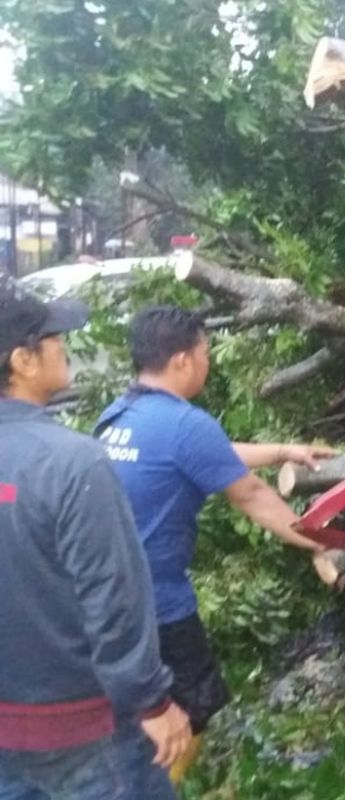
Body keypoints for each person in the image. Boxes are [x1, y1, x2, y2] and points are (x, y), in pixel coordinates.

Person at [93, 305, 334, 782]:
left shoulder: (119, 417)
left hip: (106, 601)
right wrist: (320, 542)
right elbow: (252, 495)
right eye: (205, 352)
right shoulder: (184, 423)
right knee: (192, 709)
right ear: (183, 360)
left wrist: (284, 451)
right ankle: (159, 790)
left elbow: (207, 454)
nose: (208, 362)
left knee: (131, 719)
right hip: (160, 606)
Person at [0, 277, 191, 799]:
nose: (65, 346)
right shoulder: (71, 462)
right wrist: (153, 702)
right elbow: (114, 597)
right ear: (23, 360)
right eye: (54, 336)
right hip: (84, 734)